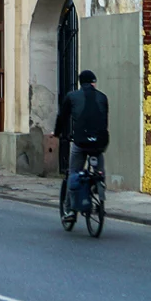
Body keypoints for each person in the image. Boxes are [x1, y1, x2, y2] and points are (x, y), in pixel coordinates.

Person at [53, 70, 109, 220]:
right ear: (93, 82)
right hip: (100, 142)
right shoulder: (103, 97)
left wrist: (57, 133)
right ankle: (100, 181)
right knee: (98, 162)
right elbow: (104, 121)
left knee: (74, 172)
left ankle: (70, 210)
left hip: (81, 141)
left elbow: (62, 117)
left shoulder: (72, 97)